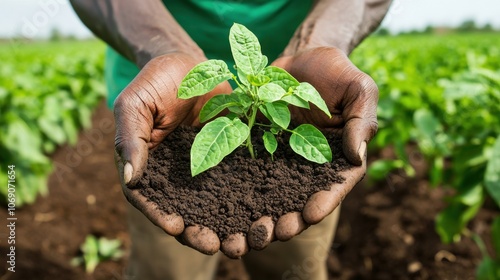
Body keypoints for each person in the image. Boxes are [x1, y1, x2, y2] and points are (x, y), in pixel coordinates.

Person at [70, 0, 391, 279]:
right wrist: (164, 47)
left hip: (299, 110)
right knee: (167, 270)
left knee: (295, 268)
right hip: (170, 115)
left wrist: (320, 42)